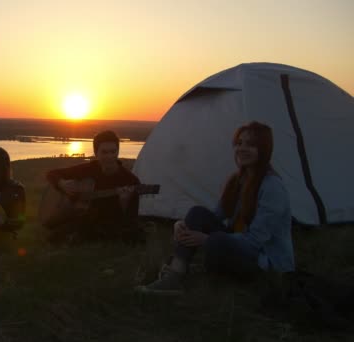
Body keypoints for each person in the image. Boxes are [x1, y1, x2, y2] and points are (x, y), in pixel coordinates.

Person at [135, 121, 294, 294]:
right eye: (239, 143)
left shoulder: (272, 187)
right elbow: (216, 216)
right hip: (238, 245)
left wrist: (207, 240)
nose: (242, 148)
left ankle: (186, 271)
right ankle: (175, 273)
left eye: (250, 144)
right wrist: (181, 224)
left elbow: (255, 241)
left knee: (217, 240)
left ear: (264, 150)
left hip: (265, 262)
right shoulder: (238, 180)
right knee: (197, 213)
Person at [44, 130, 142, 244]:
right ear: (96, 153)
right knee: (53, 235)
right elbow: (51, 174)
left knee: (133, 237)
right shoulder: (89, 169)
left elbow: (131, 218)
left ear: (118, 151)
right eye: (104, 152)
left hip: (110, 222)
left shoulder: (130, 180)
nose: (110, 156)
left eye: (113, 152)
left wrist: (124, 202)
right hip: (84, 217)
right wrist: (62, 184)